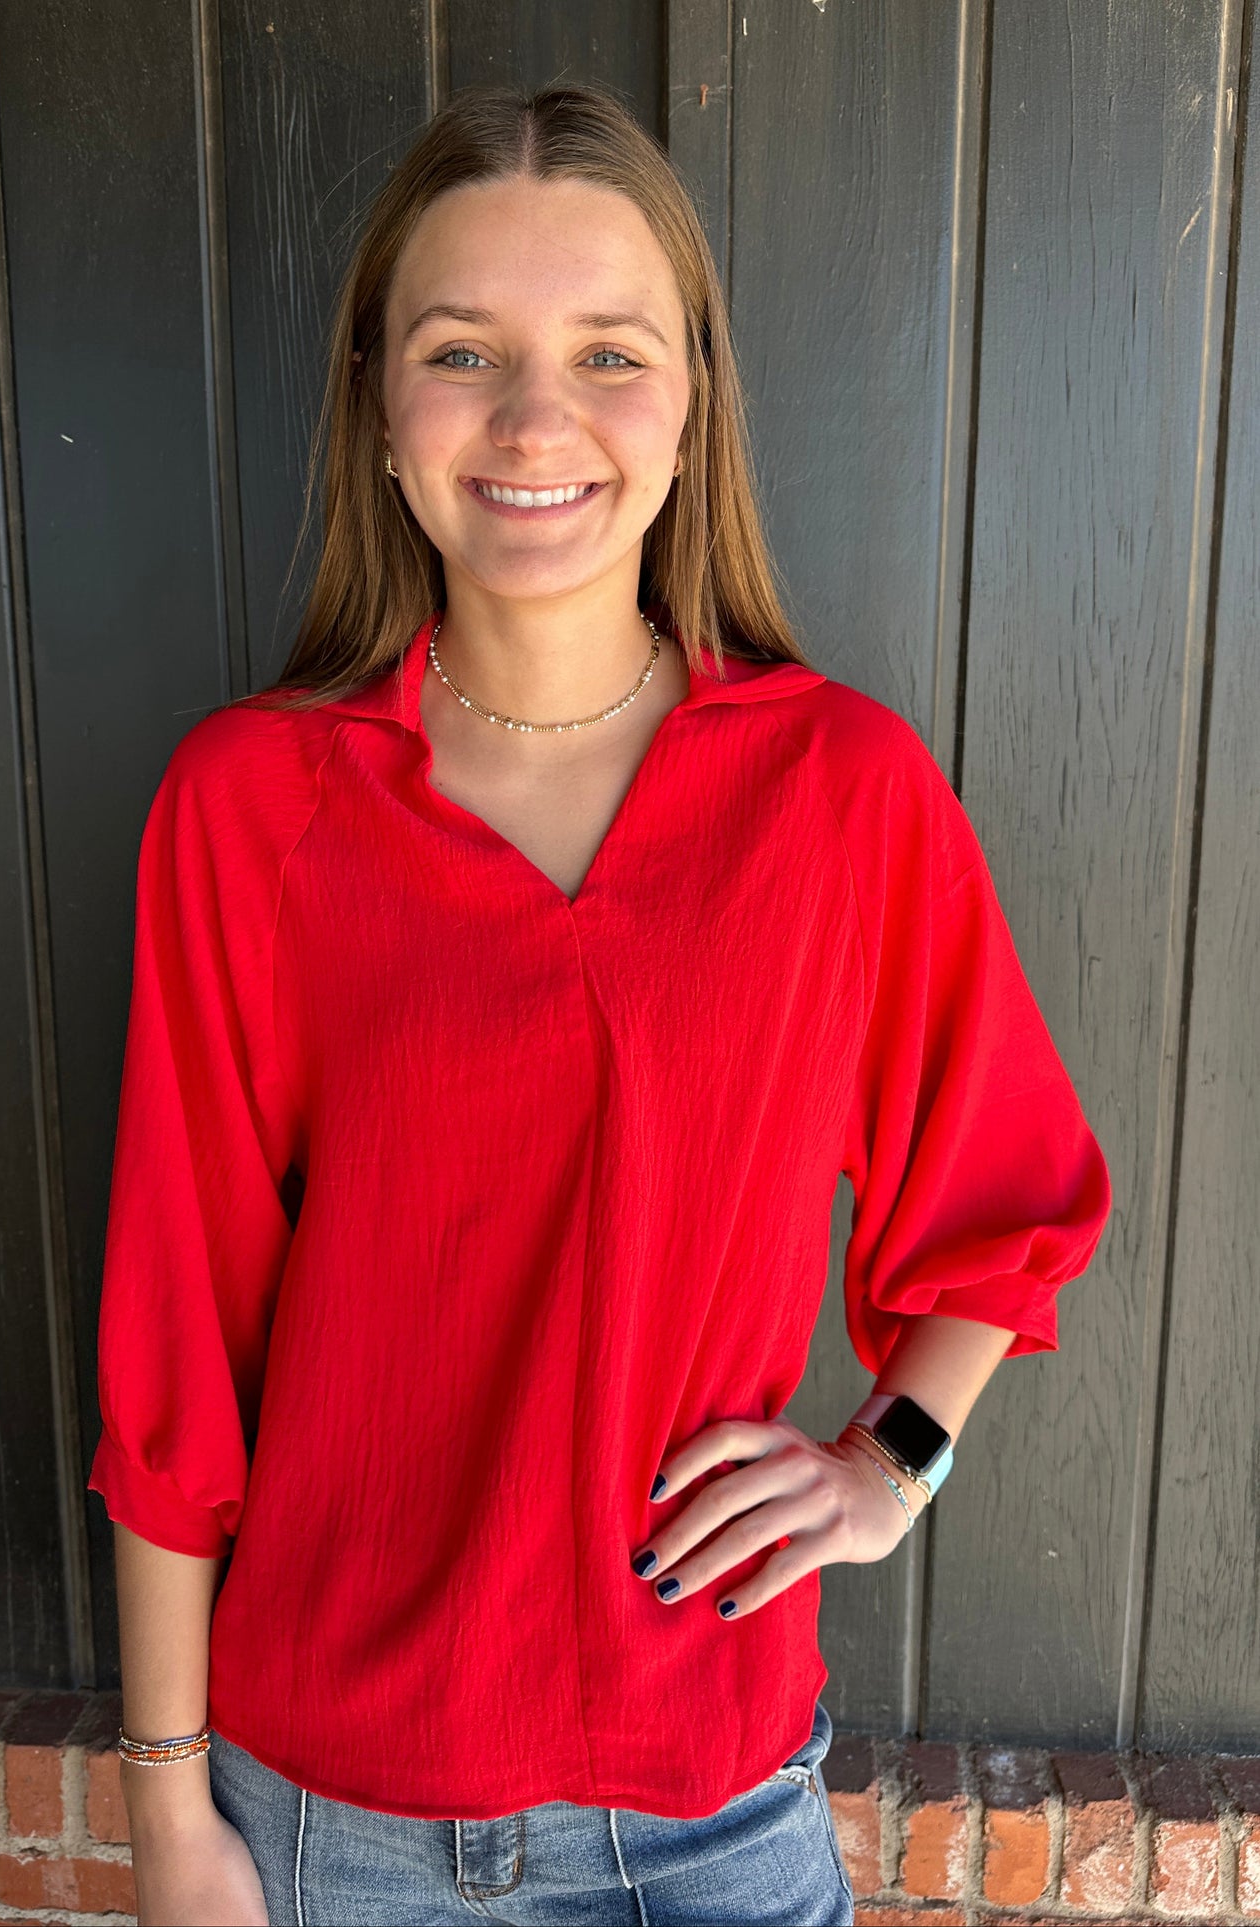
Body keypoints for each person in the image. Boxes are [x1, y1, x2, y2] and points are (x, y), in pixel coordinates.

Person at [87, 81, 1112, 1927]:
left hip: (709, 1817)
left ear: (690, 396)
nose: (536, 418)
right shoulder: (250, 810)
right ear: (382, 411)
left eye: (608, 352)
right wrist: (170, 1816)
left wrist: (893, 1460)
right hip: (324, 1817)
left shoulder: (840, 794)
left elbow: (999, 1200)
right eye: (463, 348)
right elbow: (177, 1346)